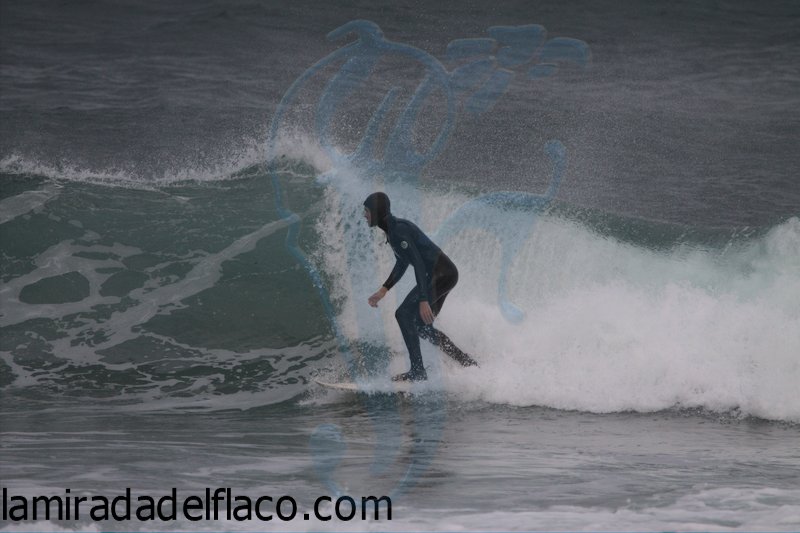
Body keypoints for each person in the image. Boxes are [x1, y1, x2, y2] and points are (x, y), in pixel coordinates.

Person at [363, 192, 478, 381]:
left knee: (403, 314)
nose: (364, 215)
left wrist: (424, 299)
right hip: (444, 274)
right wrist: (383, 290)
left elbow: (419, 264)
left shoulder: (398, 231)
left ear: (376, 212)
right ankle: (466, 362)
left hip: (441, 275)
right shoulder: (393, 230)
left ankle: (418, 371)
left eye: (367, 211)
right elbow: (402, 262)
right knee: (421, 326)